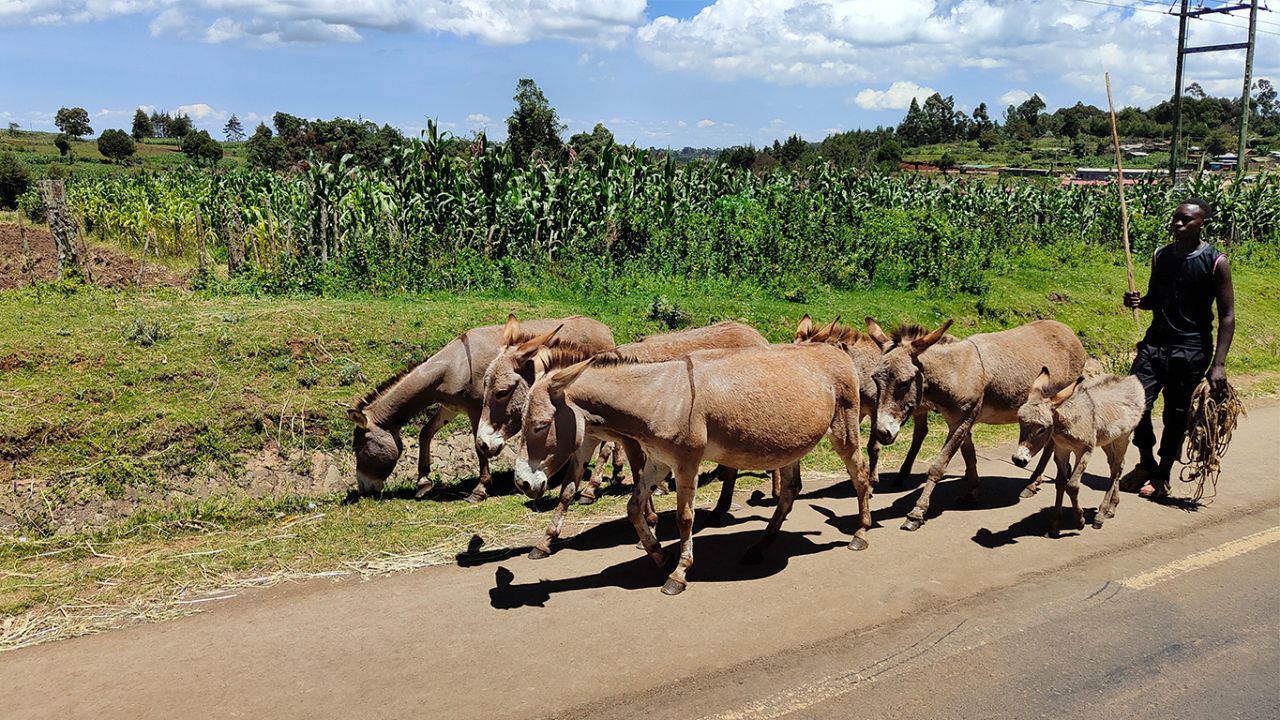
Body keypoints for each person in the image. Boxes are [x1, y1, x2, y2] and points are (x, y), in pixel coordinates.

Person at [1121, 197, 1235, 499]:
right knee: (1135, 405)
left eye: (1187, 220)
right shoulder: (1162, 256)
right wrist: (1139, 302)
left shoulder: (1215, 262)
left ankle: (1163, 473)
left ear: (1202, 224)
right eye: (1176, 218)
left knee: (1176, 413)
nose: (1179, 224)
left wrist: (1218, 364)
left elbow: (1227, 315)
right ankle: (1145, 462)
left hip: (1191, 349)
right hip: (1155, 344)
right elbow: (1155, 298)